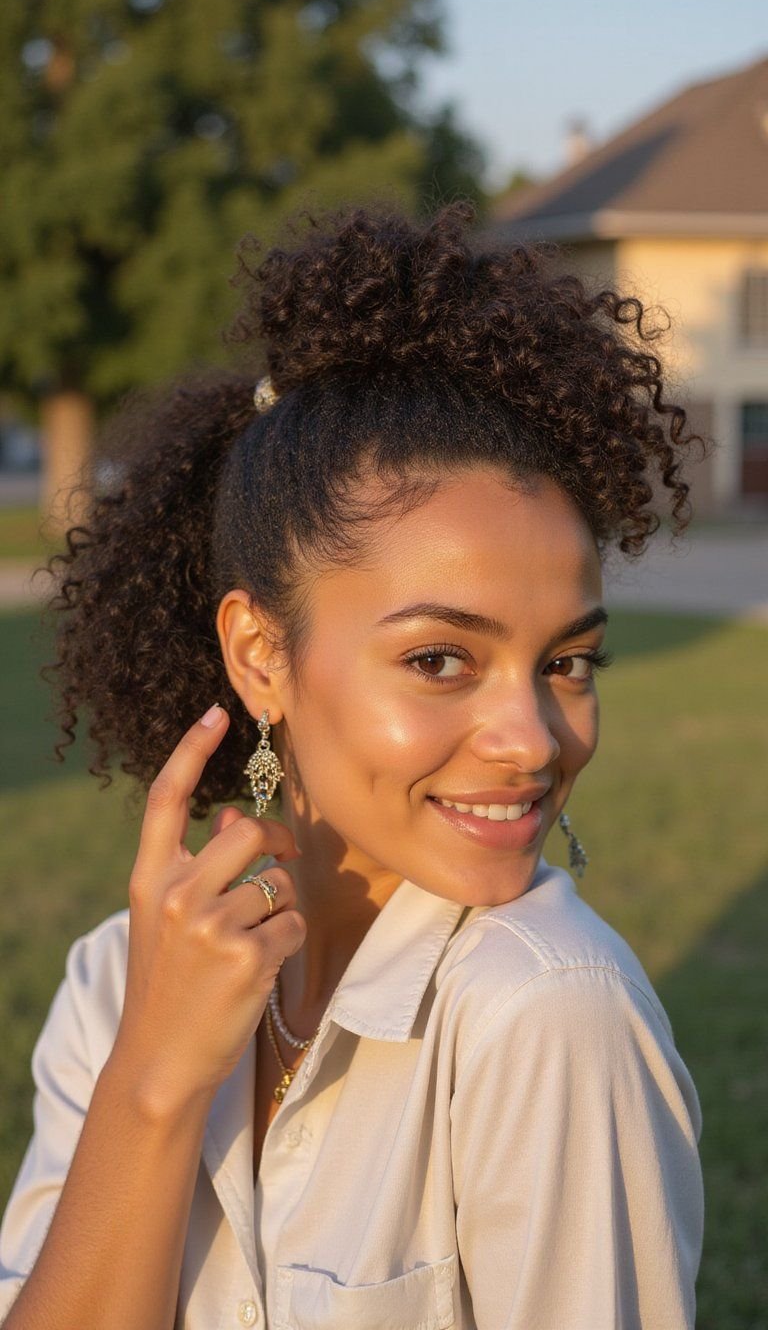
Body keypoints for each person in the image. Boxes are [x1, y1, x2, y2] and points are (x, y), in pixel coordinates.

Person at [0, 203, 706, 1330]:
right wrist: (155, 1079)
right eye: (440, 658)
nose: (533, 739)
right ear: (261, 655)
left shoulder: (544, 1011)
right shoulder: (116, 982)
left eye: (568, 660)